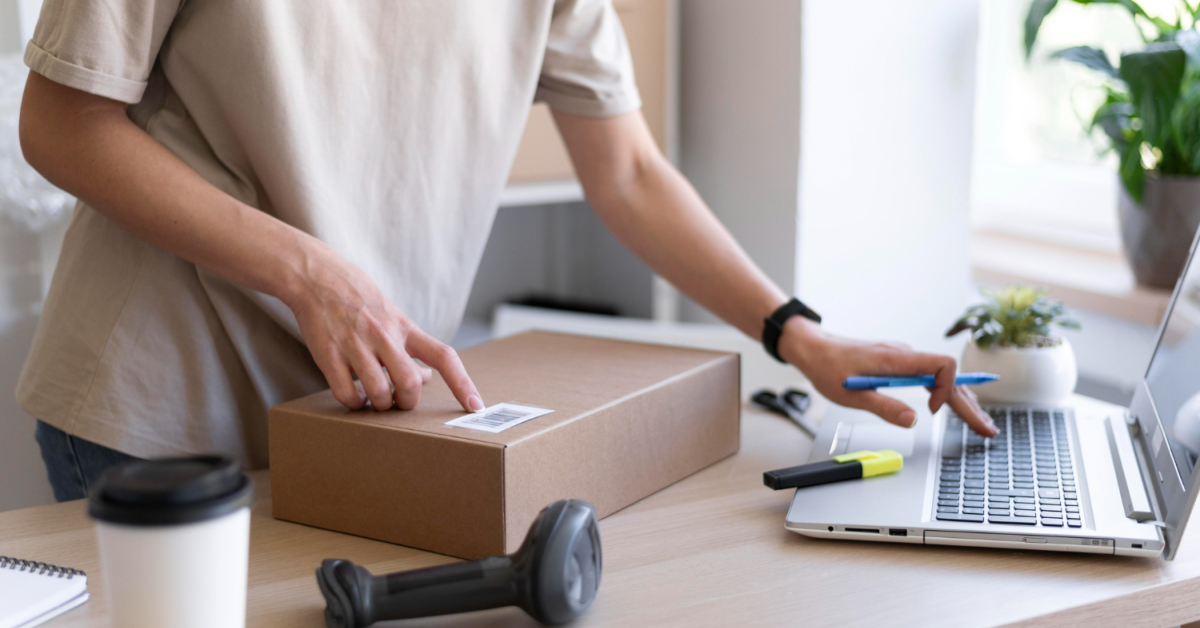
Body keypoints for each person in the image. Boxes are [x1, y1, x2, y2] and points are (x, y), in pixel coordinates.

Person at [17, 0, 996, 503]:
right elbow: (60, 122)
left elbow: (627, 172)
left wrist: (795, 332)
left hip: (364, 420)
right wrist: (307, 270)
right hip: (154, 400)